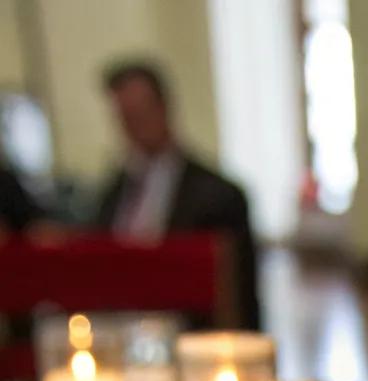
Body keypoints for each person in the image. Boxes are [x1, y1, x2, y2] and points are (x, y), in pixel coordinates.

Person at [95, 60, 260, 328]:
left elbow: (238, 299)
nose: (134, 126)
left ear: (163, 108)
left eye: (140, 113)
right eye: (126, 117)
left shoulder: (220, 196)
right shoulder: (112, 193)